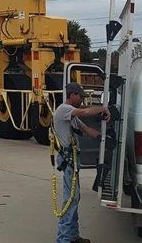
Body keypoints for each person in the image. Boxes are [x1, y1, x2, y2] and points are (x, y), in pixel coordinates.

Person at [52, 82, 111, 243]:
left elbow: (87, 130)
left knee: (74, 198)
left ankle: (72, 236)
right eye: (80, 97)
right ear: (72, 95)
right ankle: (64, 239)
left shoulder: (72, 117)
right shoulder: (64, 110)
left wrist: (102, 137)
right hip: (68, 161)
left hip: (73, 161)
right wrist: (103, 108)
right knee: (70, 199)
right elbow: (85, 111)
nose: (82, 100)